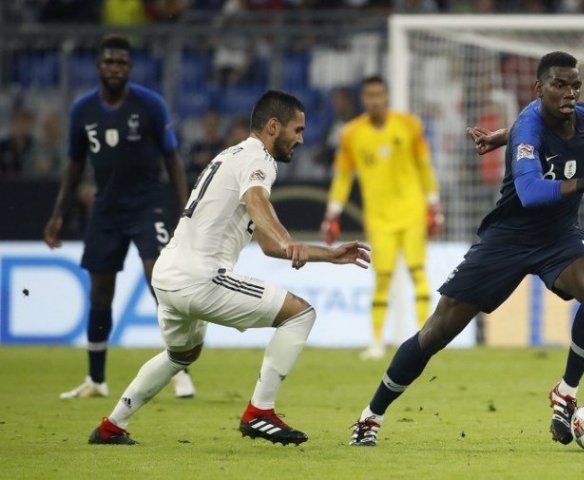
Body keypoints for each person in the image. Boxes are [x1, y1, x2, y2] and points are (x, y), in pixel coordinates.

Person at [349, 51, 584, 447]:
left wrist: (503, 135)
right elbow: (532, 192)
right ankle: (370, 416)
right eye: (559, 85)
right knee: (436, 333)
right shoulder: (529, 125)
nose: (569, 93)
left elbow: (530, 132)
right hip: (507, 238)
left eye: (575, 85)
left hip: (559, 236)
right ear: (539, 89)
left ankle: (566, 392)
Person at [87, 90, 371, 445]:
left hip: (168, 275)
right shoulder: (259, 159)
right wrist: (288, 239)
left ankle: (113, 425)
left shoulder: (229, 156)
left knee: (182, 354)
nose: (300, 139)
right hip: (200, 278)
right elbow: (257, 200)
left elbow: (268, 246)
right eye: (296, 130)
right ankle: (260, 412)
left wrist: (327, 254)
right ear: (273, 126)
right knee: (301, 314)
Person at [43, 34, 195, 400]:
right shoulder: (82, 110)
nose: (115, 68)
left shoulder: (150, 105)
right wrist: (57, 215)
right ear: (99, 66)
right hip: (106, 209)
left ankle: (181, 371)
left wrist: (187, 210)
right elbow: (75, 165)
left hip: (148, 206)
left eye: (122, 63)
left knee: (161, 285)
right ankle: (96, 380)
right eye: (109, 62)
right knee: (100, 293)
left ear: (129, 68)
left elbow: (172, 160)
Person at [320, 75, 444, 360]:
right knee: (382, 278)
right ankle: (376, 342)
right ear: (363, 99)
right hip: (378, 217)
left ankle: (426, 338)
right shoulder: (351, 133)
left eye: (379, 94)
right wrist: (332, 214)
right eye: (369, 95)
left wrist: (433, 204)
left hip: (412, 211)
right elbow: (342, 177)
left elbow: (425, 167)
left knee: (418, 272)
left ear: (387, 96)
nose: (375, 100)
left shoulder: (409, 125)